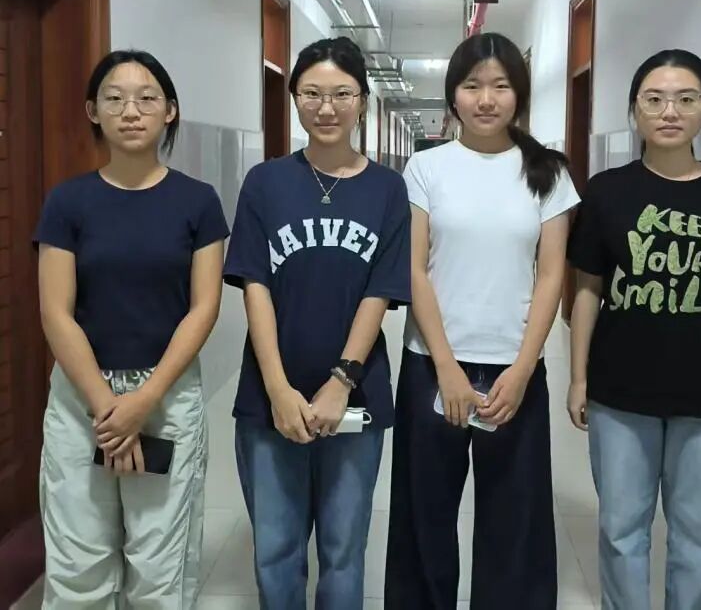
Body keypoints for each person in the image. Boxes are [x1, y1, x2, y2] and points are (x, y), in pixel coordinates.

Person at [384, 32, 579, 610]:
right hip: (431, 366)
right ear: (454, 95)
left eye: (501, 86)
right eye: (472, 86)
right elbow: (415, 269)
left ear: (519, 94)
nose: (486, 99)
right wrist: (446, 368)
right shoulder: (426, 167)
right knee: (424, 514)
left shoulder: (548, 172)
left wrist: (522, 370)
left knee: (515, 519)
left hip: (514, 370)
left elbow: (551, 276)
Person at [35, 49, 229, 608]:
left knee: (159, 566)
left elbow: (204, 308)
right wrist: (106, 406)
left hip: (165, 396)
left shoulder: (198, 202)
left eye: (147, 98)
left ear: (170, 111)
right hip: (81, 399)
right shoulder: (68, 202)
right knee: (79, 564)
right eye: (114, 99)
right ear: (92, 111)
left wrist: (143, 400)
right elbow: (55, 312)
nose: (131, 111)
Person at [223, 36, 410, 610]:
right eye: (311, 93)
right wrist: (278, 389)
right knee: (276, 550)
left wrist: (341, 380)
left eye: (341, 94)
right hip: (269, 398)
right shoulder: (265, 183)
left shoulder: (387, 188)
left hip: (355, 395)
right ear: (294, 99)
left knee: (343, 549)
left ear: (362, 102)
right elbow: (255, 285)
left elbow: (380, 291)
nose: (326, 107)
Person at [566, 49, 701, 610]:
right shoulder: (606, 191)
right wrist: (578, 379)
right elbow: (587, 290)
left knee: (698, 536)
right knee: (622, 530)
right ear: (635, 110)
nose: (669, 111)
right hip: (620, 391)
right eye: (654, 99)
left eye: (685, 99)